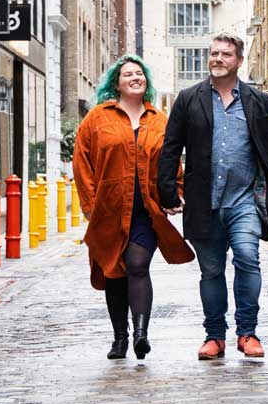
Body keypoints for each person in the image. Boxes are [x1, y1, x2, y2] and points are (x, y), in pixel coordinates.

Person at [157, 32, 268, 360]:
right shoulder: (189, 99)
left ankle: (248, 333)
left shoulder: (258, 101)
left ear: (239, 61)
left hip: (245, 201)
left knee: (247, 258)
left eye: (225, 54)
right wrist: (168, 191)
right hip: (204, 202)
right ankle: (215, 336)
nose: (217, 59)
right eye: (213, 53)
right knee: (211, 271)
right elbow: (171, 147)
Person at [74, 55, 193, 360]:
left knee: (137, 264)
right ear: (117, 82)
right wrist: (91, 206)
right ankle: (119, 339)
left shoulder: (159, 120)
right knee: (114, 271)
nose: (135, 78)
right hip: (109, 211)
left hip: (147, 212)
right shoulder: (97, 118)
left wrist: (175, 193)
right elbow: (82, 163)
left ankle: (141, 334)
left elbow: (171, 161)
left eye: (139, 73)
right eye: (128, 74)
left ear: (146, 81)